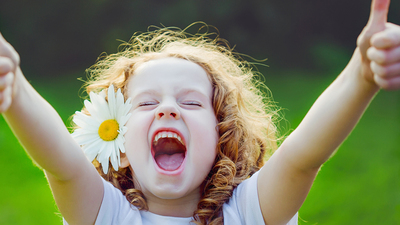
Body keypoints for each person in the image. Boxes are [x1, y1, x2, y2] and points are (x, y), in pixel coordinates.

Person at [1, 0, 399, 224]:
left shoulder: (249, 212)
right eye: (146, 103)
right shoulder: (108, 215)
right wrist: (14, 86)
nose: (169, 110)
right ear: (119, 144)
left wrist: (361, 75)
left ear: (222, 137)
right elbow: (61, 162)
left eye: (191, 102)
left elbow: (303, 157)